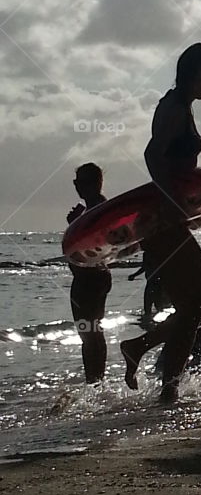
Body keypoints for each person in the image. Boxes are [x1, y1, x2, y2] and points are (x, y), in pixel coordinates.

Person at [120, 43, 201, 404]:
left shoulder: (181, 106)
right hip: (163, 221)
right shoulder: (173, 108)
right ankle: (147, 357)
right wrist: (170, 203)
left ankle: (166, 385)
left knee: (198, 307)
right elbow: (152, 155)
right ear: (196, 71)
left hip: (168, 218)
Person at [65, 163, 111, 384]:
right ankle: (94, 379)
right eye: (75, 183)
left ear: (96, 183)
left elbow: (94, 243)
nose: (77, 188)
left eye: (81, 183)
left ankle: (95, 379)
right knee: (90, 332)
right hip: (87, 276)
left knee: (90, 332)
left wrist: (74, 223)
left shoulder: (98, 208)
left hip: (91, 277)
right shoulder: (92, 208)